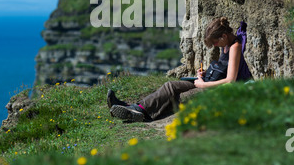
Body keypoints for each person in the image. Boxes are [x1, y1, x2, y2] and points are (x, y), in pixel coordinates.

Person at [106, 17, 253, 122]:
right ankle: (134, 108)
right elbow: (223, 69)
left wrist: (203, 85)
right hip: (208, 81)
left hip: (214, 89)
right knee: (170, 86)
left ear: (224, 36)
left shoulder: (235, 47)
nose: (215, 45)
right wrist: (205, 74)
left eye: (215, 42)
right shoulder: (226, 45)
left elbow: (230, 80)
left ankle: (136, 112)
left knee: (182, 98)